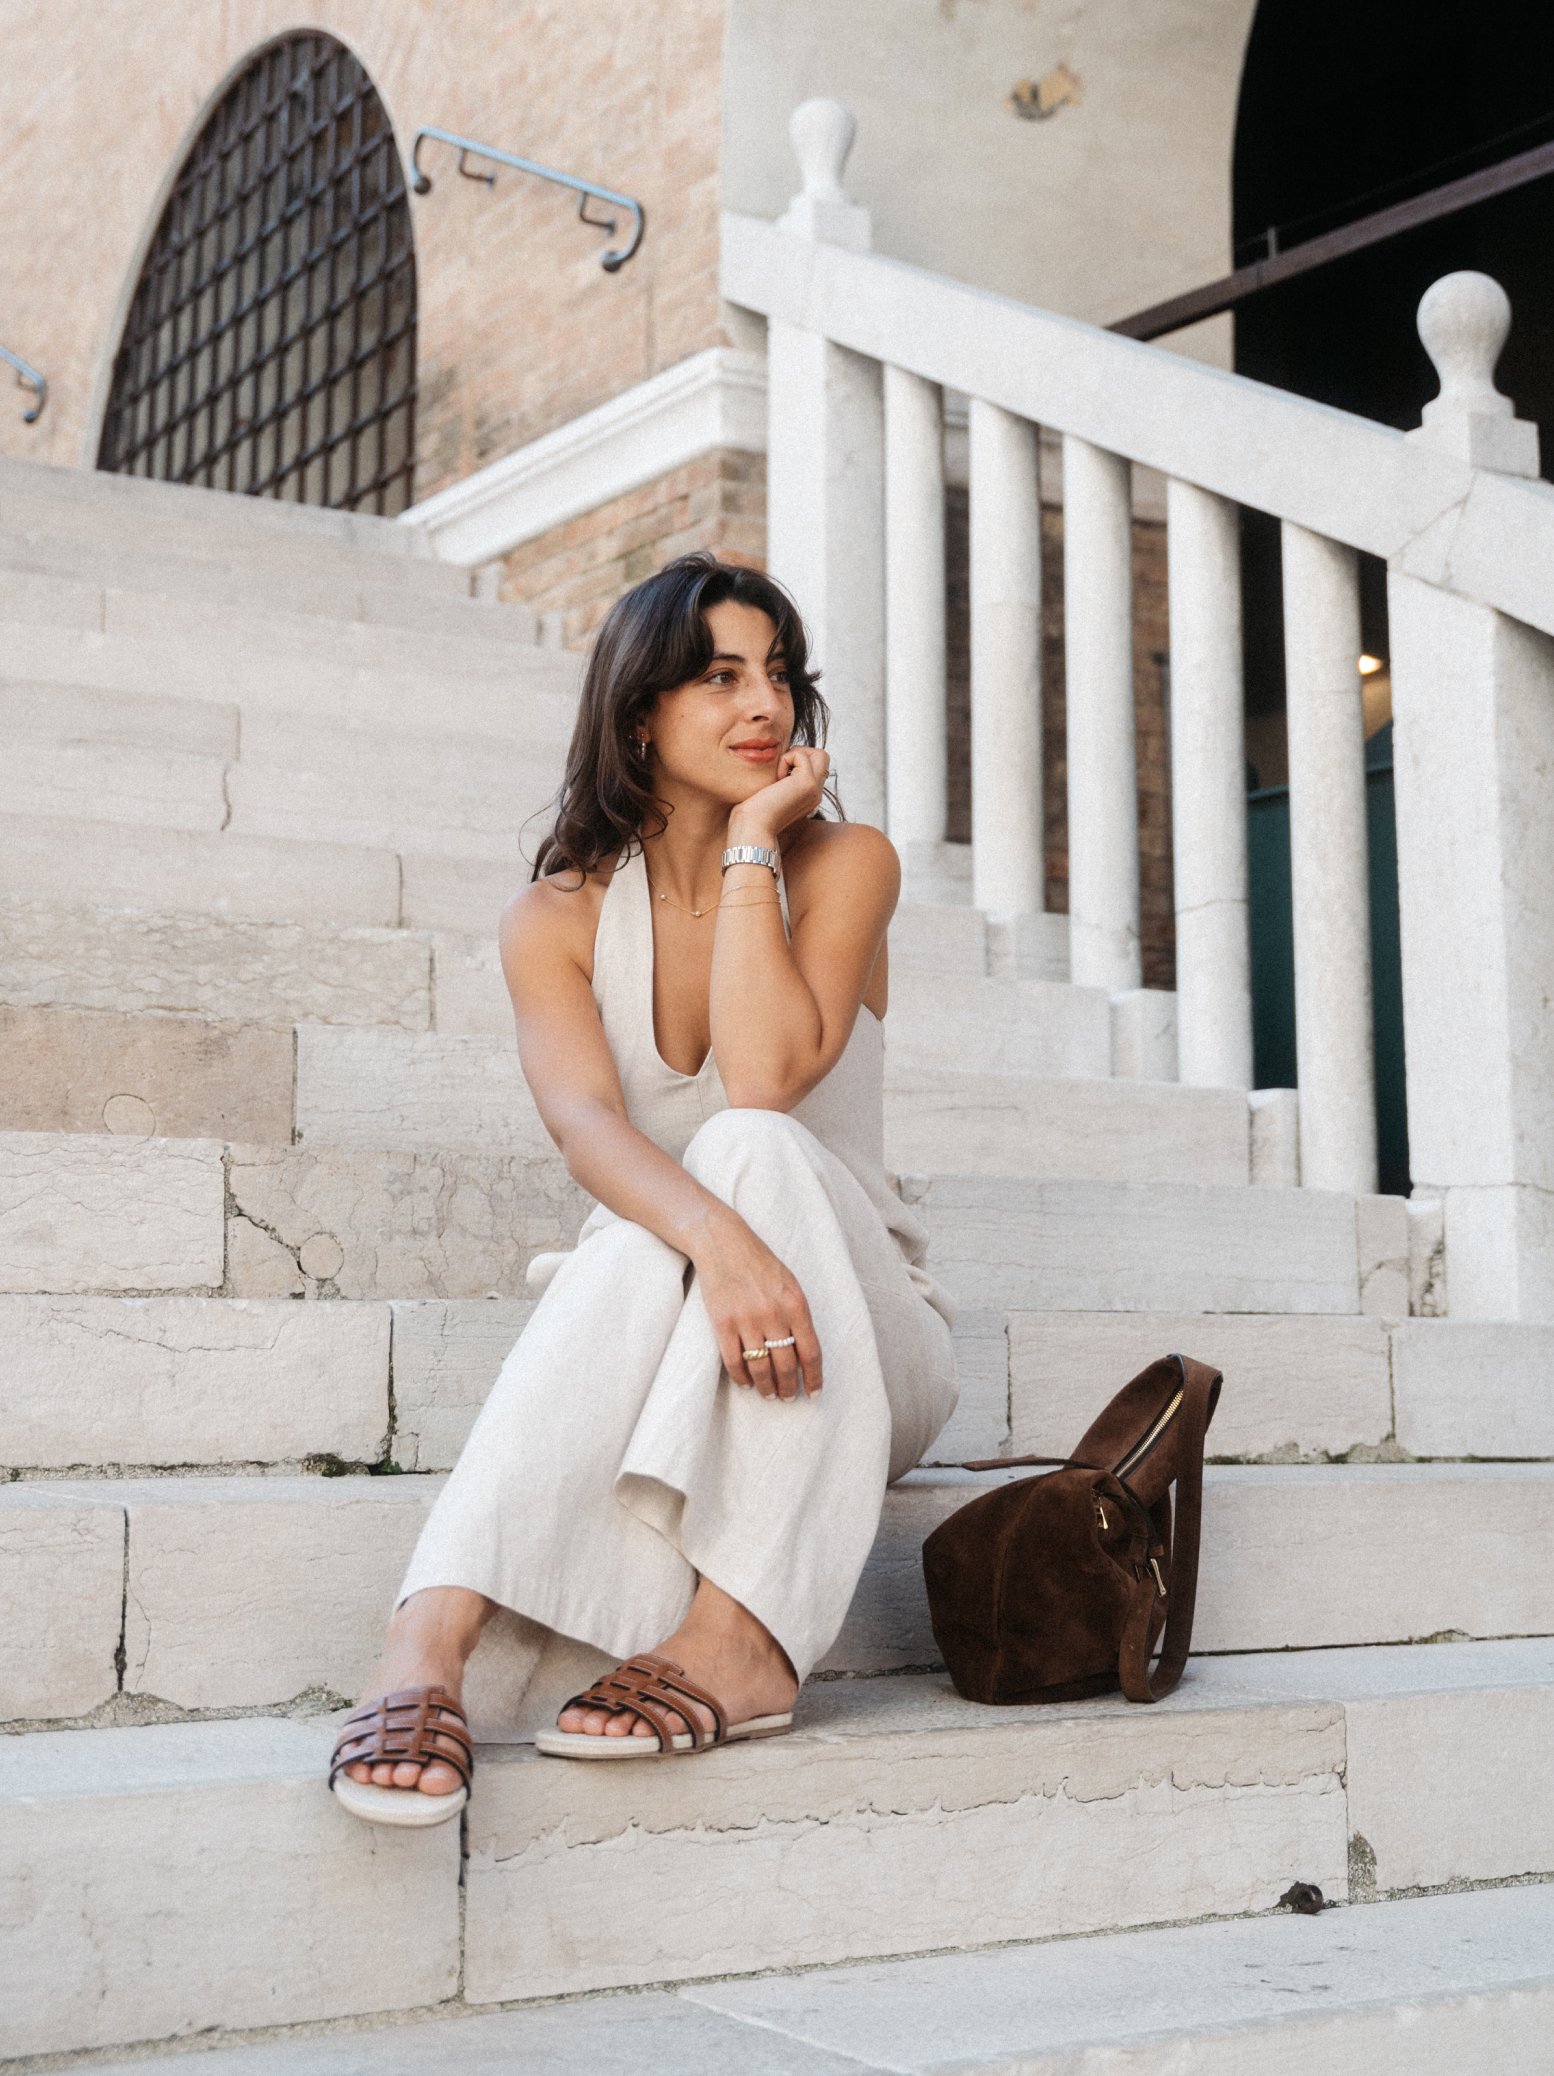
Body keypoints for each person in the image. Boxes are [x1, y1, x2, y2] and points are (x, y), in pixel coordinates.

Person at [329, 551, 959, 1827]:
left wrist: (753, 846)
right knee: (630, 1232)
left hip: (856, 1338)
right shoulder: (554, 918)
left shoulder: (845, 863)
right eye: (721, 676)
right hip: (688, 1318)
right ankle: (426, 1642)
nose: (765, 704)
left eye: (777, 673)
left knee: (750, 1144)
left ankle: (743, 1633)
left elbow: (765, 1078)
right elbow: (585, 1131)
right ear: (638, 715)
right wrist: (719, 1249)